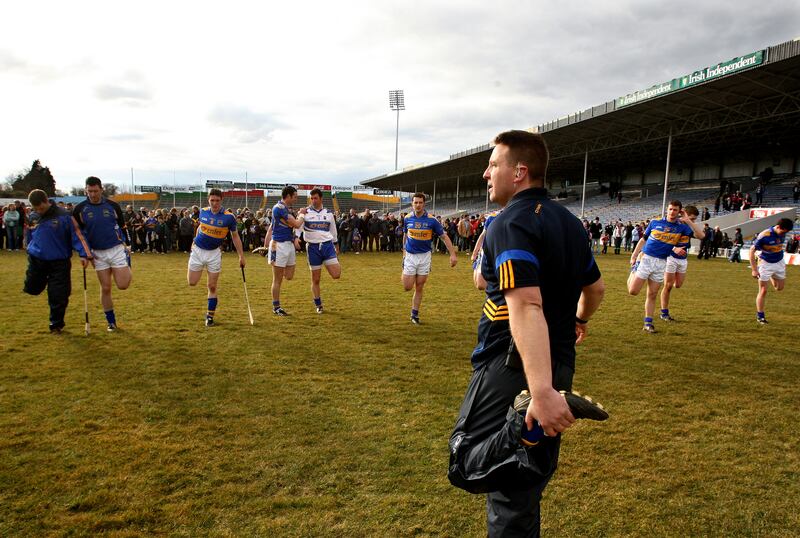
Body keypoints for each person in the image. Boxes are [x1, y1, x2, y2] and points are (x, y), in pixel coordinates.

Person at [448, 130, 606, 536]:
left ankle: (522, 419)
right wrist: (580, 321)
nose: (486, 173)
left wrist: (538, 394)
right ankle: (530, 417)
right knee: (524, 486)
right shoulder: (571, 224)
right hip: (557, 362)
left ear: (519, 172)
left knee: (468, 462)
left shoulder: (510, 222)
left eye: (493, 164)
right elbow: (595, 289)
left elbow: (526, 303)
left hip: (513, 365)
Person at [627, 200, 704, 333]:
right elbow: (643, 240)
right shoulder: (655, 222)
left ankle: (648, 323)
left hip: (662, 262)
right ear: (667, 210)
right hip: (646, 259)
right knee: (633, 291)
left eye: (675, 210)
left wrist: (688, 221)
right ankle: (634, 270)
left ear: (680, 211)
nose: (672, 212)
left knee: (652, 294)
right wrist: (634, 256)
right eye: (670, 209)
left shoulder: (682, 227)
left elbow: (701, 235)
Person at [23, 189, 92, 333]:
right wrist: (28, 245)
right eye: (36, 209)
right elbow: (30, 233)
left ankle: (56, 324)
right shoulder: (33, 216)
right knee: (32, 288)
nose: (39, 211)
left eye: (41, 208)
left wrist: (84, 254)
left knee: (58, 294)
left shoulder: (64, 216)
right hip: (37, 259)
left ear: (47, 201)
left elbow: (78, 235)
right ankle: (37, 286)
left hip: (59, 261)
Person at [72, 176, 133, 332]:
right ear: (86, 190)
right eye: (89, 191)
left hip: (116, 249)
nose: (92, 194)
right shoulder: (80, 209)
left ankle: (127, 261)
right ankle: (111, 322)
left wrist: (128, 244)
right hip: (97, 253)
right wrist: (84, 254)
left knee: (123, 285)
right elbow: (78, 234)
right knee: (105, 288)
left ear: (101, 189)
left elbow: (123, 226)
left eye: (95, 191)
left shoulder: (113, 206)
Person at [187, 189, 246, 326]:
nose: (214, 203)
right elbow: (200, 227)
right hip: (198, 251)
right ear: (208, 200)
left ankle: (209, 317)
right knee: (192, 282)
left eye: (217, 200)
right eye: (212, 200)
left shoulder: (229, 217)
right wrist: (194, 241)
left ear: (221, 200)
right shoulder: (203, 212)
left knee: (212, 286)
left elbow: (235, 237)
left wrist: (241, 256)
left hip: (214, 253)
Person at [401, 192, 457, 324]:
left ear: (424, 204)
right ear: (412, 204)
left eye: (420, 203)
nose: (418, 205)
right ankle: (405, 270)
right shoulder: (407, 218)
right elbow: (405, 234)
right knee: (407, 286)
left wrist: (453, 254)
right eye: (416, 202)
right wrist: (404, 251)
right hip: (410, 256)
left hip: (425, 257)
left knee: (419, 286)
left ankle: (414, 314)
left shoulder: (432, 220)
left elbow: (444, 237)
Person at [264, 186, 305, 316]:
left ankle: (278, 269)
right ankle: (276, 307)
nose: (296, 198)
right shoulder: (279, 208)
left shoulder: (286, 209)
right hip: (279, 246)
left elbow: (275, 227)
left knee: (289, 275)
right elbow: (297, 224)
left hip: (288, 245)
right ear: (288, 196)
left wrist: (294, 238)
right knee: (277, 280)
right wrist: (302, 214)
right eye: (295, 196)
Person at [299, 188, 341, 313]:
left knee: (336, 274)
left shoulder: (328, 213)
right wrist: (296, 238)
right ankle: (318, 305)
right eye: (311, 198)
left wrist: (336, 244)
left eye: (315, 198)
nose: (313, 200)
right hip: (312, 248)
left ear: (321, 198)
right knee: (315, 279)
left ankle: (328, 262)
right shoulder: (305, 212)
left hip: (327, 246)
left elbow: (333, 231)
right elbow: (298, 227)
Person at [659, 205, 700, 322]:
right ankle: (664, 312)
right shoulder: (672, 224)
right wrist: (673, 249)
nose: (692, 221)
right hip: (670, 257)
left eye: (694, 220)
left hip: (682, 259)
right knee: (668, 286)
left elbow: (701, 236)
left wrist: (689, 222)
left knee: (678, 285)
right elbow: (662, 241)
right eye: (691, 219)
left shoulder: (687, 227)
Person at [750, 218, 793, 324]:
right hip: (765, 264)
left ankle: (770, 276)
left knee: (779, 288)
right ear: (778, 227)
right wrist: (754, 270)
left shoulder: (782, 232)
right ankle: (760, 316)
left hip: (779, 262)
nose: (784, 234)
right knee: (763, 290)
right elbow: (751, 251)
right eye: (783, 232)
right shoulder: (764, 235)